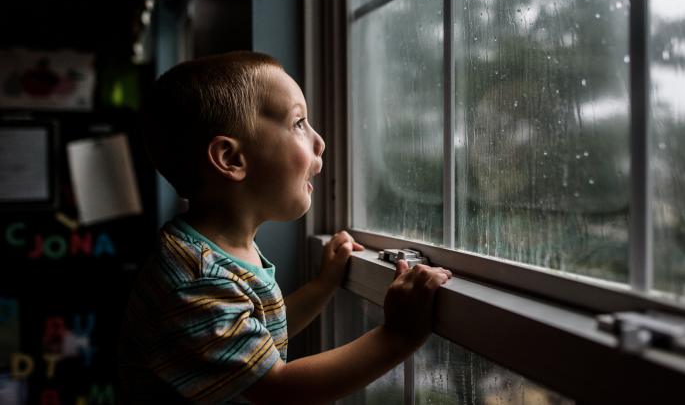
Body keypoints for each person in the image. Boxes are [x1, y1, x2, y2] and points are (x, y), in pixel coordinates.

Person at [119, 51, 452, 404]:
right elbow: (279, 389)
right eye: (298, 123)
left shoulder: (212, 251)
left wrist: (324, 285)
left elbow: (256, 339)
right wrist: (397, 336)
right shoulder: (199, 281)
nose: (319, 141)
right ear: (232, 159)